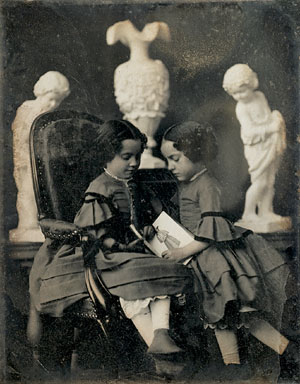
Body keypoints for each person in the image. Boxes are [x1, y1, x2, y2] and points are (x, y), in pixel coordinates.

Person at [27, 119, 193, 357]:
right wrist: (121, 244)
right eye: (127, 157)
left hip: (130, 250)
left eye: (137, 156)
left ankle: (160, 334)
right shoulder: (100, 188)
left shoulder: (133, 184)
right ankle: (158, 348)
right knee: (138, 275)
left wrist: (144, 230)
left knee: (165, 266)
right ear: (106, 156)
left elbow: (140, 219)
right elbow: (94, 235)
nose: (134, 163)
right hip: (100, 255)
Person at [160, 120, 295, 373]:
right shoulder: (188, 183)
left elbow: (210, 232)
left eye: (176, 159)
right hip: (204, 258)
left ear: (195, 153)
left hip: (215, 258)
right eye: (168, 160)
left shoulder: (207, 185)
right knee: (222, 315)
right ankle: (241, 362)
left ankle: (283, 353)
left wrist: (181, 251)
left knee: (232, 313)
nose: (171, 166)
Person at [10, 71, 70, 242]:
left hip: (40, 160)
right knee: (28, 191)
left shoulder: (46, 115)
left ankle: (39, 225)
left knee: (43, 192)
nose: (53, 104)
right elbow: (21, 135)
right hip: (27, 160)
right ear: (41, 92)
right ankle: (27, 226)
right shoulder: (28, 108)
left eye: (58, 101)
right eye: (51, 99)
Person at [222, 64, 286, 224]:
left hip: (268, 143)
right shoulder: (241, 108)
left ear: (252, 83)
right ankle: (248, 213)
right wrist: (271, 128)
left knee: (270, 181)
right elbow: (249, 132)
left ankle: (265, 211)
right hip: (256, 147)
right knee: (260, 181)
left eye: (242, 90)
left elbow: (267, 117)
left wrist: (275, 119)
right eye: (234, 93)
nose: (239, 96)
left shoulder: (260, 97)